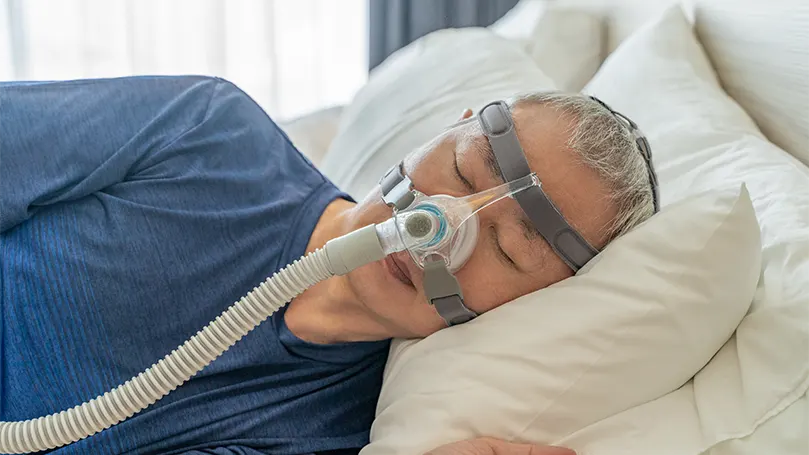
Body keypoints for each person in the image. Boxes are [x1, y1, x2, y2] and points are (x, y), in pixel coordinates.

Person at [0, 76, 656, 455]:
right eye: (460, 168)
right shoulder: (205, 132)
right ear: (444, 129)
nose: (441, 223)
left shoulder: (337, 432)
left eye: (509, 250)